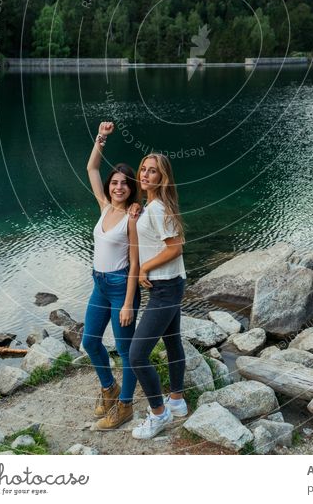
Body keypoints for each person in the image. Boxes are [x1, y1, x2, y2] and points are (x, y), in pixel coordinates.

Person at [83, 121, 140, 430]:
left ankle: (125, 406)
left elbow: (134, 264)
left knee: (125, 351)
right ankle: (109, 388)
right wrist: (101, 139)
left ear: (131, 188)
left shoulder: (133, 217)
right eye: (114, 182)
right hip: (99, 285)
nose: (118, 187)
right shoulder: (104, 207)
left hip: (121, 287)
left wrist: (129, 303)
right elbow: (92, 168)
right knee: (90, 342)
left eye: (124, 183)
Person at [128, 153, 187, 440]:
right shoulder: (153, 206)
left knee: (137, 355)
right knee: (172, 341)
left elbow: (175, 247)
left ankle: (158, 413)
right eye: (143, 169)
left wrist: (144, 269)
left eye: (153, 171)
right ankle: (176, 400)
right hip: (172, 284)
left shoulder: (158, 208)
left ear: (162, 178)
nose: (145, 174)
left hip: (165, 288)